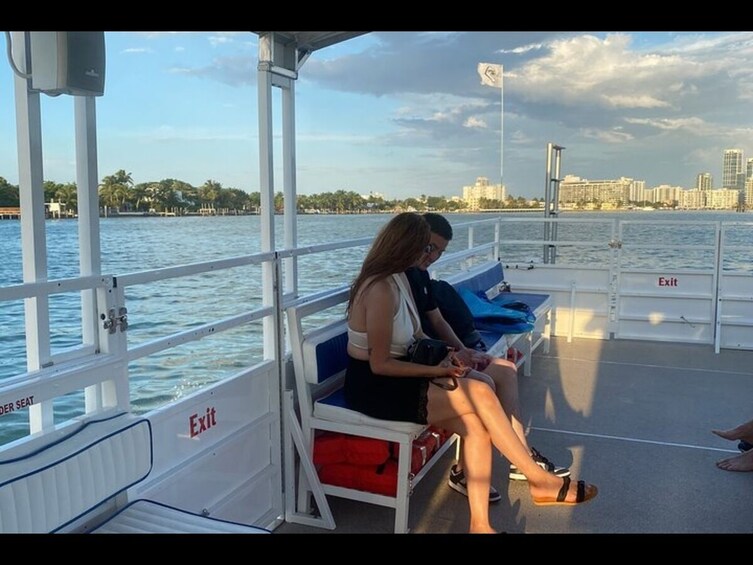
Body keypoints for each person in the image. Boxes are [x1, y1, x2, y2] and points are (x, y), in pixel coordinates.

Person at [343, 212, 597, 534]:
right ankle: (537, 478)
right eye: (423, 248)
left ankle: (480, 527)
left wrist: (454, 355)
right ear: (403, 245)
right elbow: (379, 364)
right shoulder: (380, 288)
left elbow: (417, 334)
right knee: (480, 392)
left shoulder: (400, 280)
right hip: (375, 386)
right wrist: (437, 369)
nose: (427, 256)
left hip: (400, 373)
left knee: (476, 423)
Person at [405, 213, 569, 503]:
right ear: (412, 238)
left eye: (439, 252)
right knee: (481, 388)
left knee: (505, 369)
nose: (432, 256)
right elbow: (406, 340)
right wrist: (452, 356)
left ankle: (522, 458)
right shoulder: (392, 280)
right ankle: (523, 473)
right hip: (421, 363)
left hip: (439, 353)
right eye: (429, 247)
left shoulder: (421, 276)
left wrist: (464, 350)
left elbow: (438, 320)